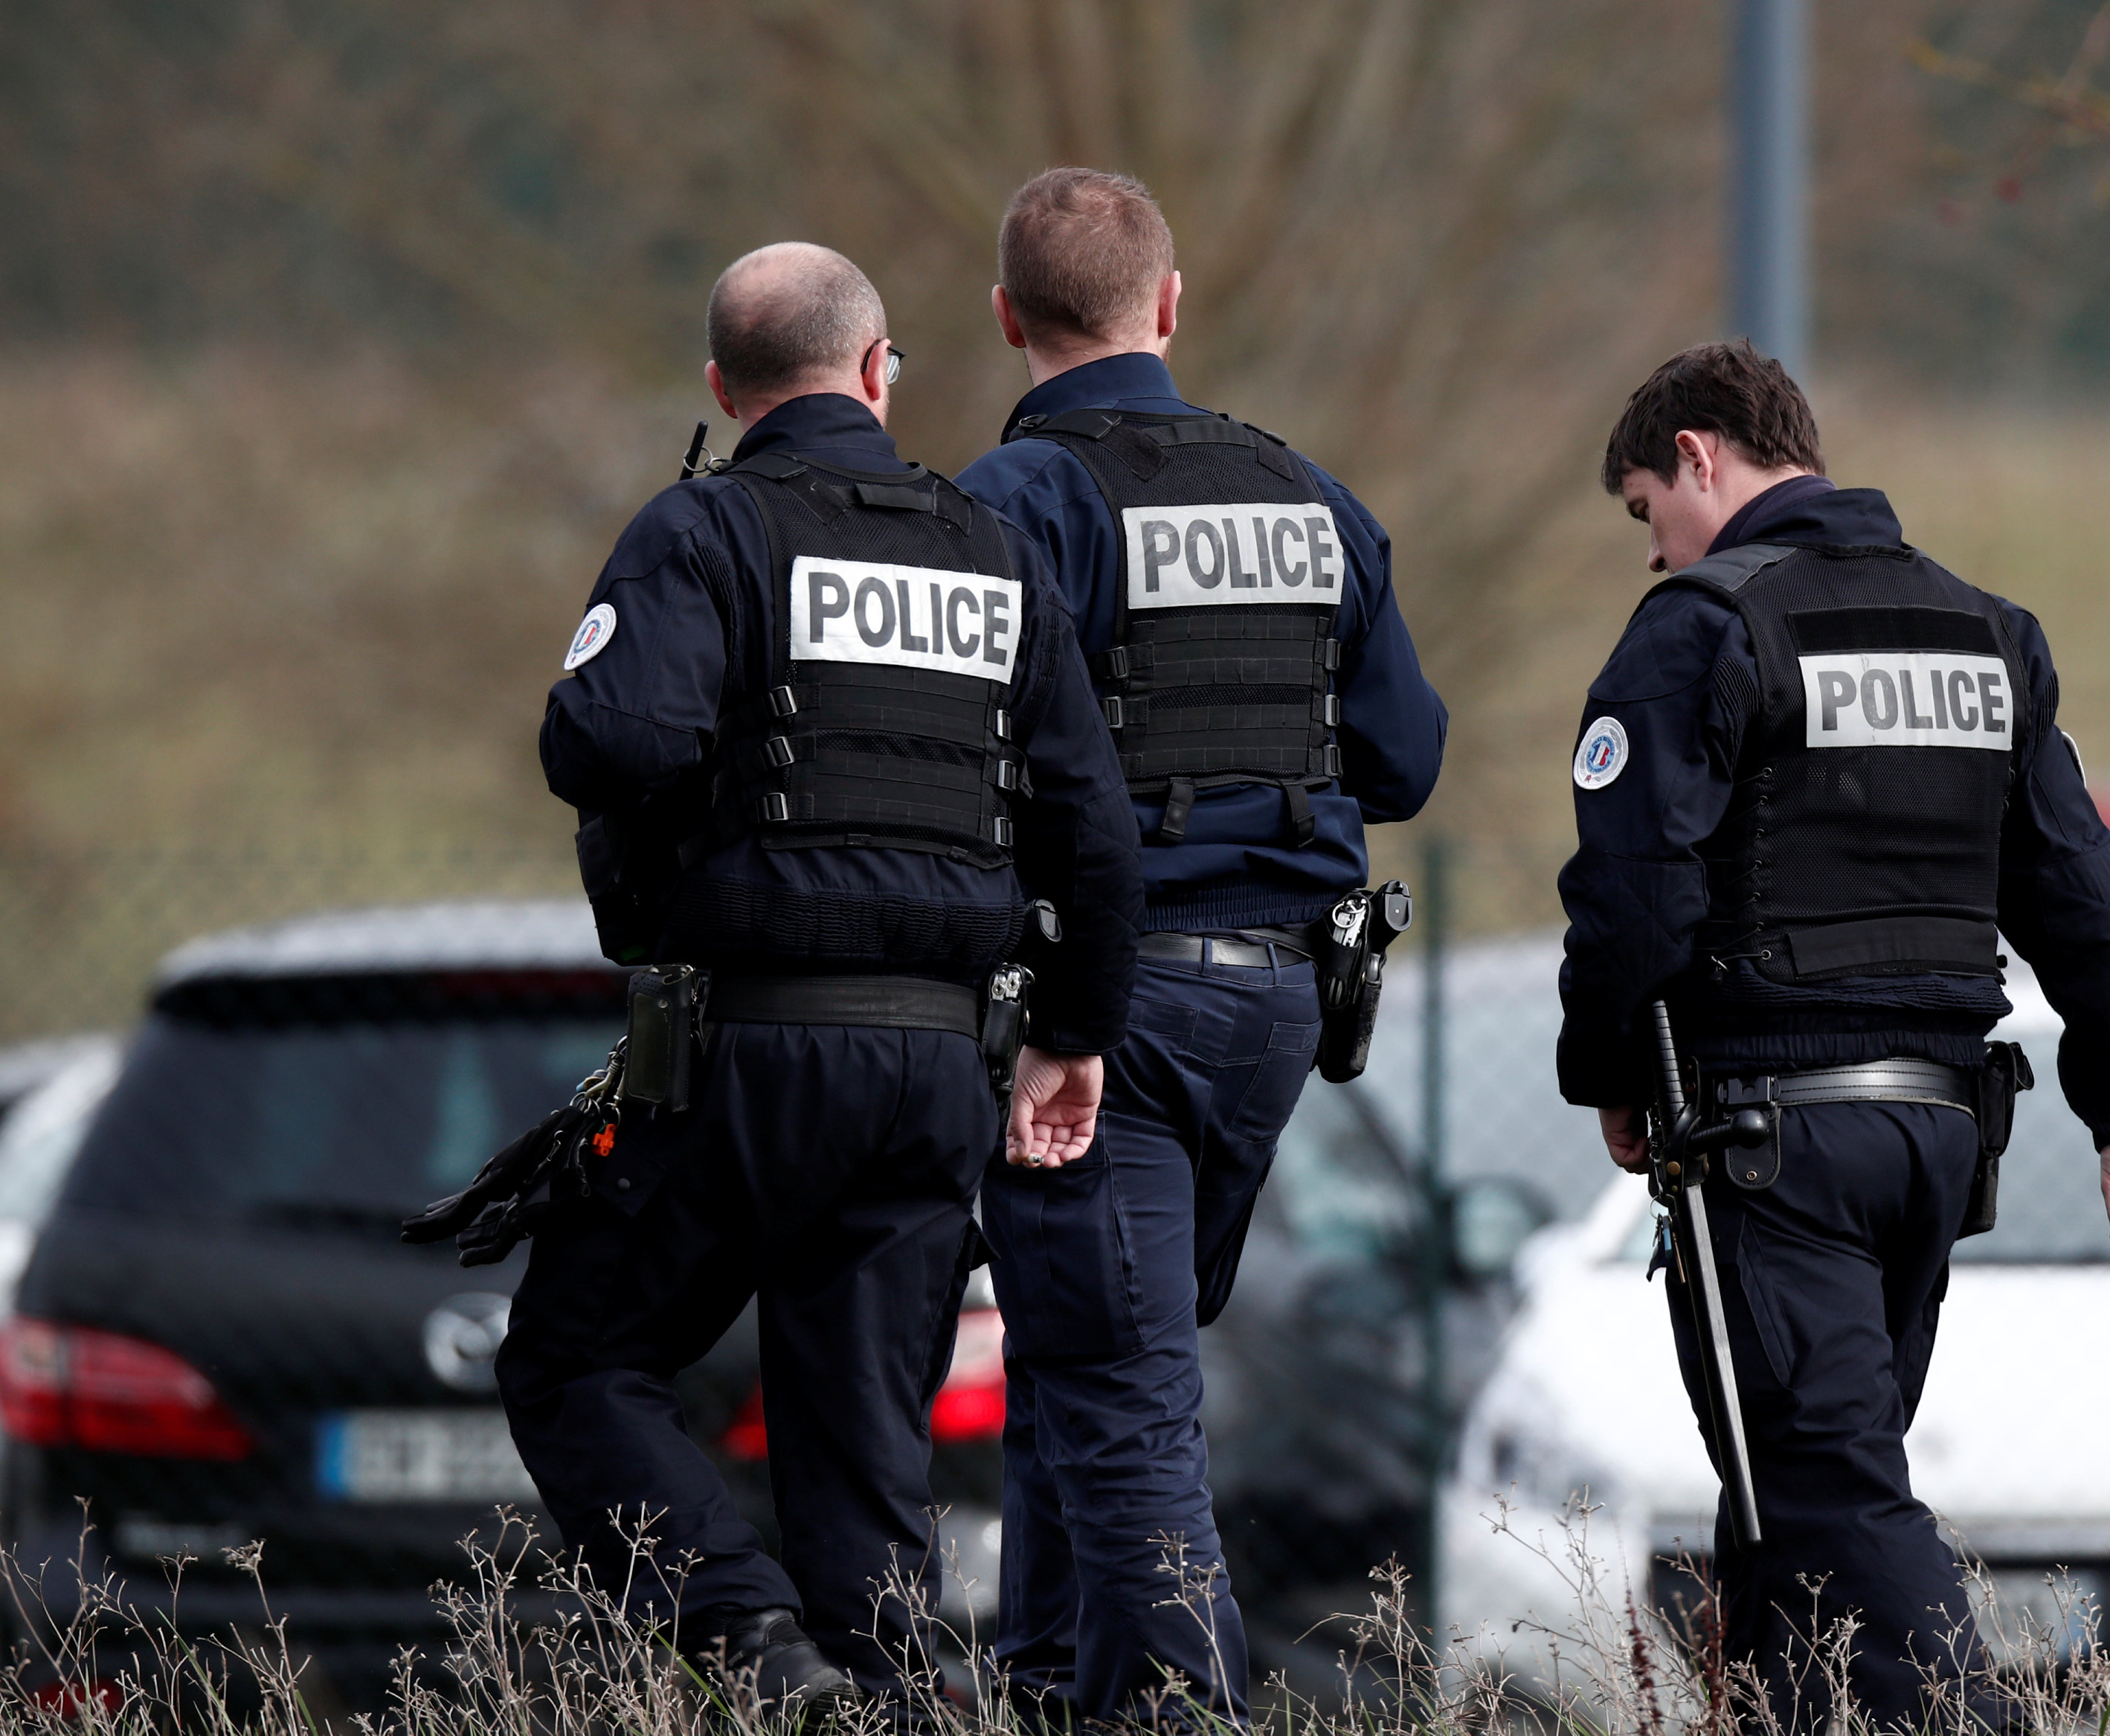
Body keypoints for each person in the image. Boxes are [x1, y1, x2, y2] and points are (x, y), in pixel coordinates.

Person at [496, 242, 1142, 1711]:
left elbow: (609, 746)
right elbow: (1091, 833)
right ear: (876, 368)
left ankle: (755, 1650)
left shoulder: (704, 531)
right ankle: (882, 1698)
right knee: (863, 1470)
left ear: (723, 390)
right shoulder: (990, 555)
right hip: (932, 1078)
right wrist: (1076, 1036)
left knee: (576, 1369)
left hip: (744, 1057)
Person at [1559, 339, 2110, 1729]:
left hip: (1769, 1147)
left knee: (1832, 1494)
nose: (1653, 552)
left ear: (1698, 456)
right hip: (1933, 1136)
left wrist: (1609, 1072)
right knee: (1796, 1512)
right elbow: (2081, 889)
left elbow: (1633, 892)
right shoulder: (1984, 633)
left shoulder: (1704, 628)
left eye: (1643, 514)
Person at [953, 168, 1448, 1725]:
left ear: (1006, 318)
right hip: (1278, 1010)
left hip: (1113, 1011)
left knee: (1117, 1391)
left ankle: (1177, 1713)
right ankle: (1054, 1690)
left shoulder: (1017, 505)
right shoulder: (1308, 495)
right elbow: (1406, 759)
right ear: (1168, 306)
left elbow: (973, 761)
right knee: (1084, 1355)